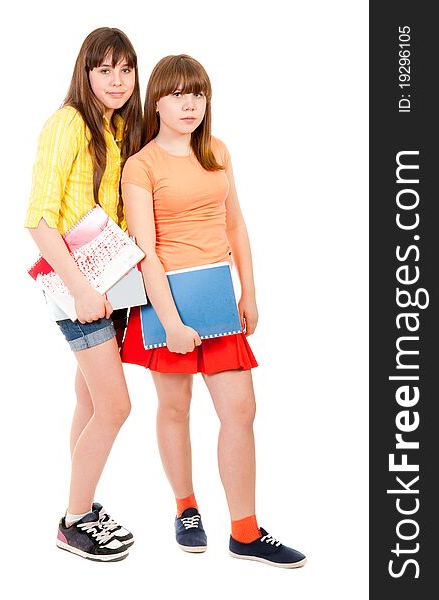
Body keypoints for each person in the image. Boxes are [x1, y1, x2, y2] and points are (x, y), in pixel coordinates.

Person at [120, 54, 306, 568]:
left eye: (198, 94)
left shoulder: (217, 151)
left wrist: (249, 292)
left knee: (240, 410)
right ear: (156, 99)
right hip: (168, 303)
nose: (189, 104)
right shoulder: (142, 165)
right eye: (178, 94)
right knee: (175, 409)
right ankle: (186, 509)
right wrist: (172, 322)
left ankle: (245, 531)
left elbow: (236, 226)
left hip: (220, 299)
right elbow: (145, 250)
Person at [25, 27, 142, 562]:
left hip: (108, 284)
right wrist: (80, 290)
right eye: (104, 69)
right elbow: (40, 220)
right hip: (80, 288)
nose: (116, 81)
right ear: (85, 72)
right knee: (116, 406)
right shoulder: (68, 122)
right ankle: (73, 522)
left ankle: (83, 504)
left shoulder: (115, 128)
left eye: (125, 69)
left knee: (91, 400)